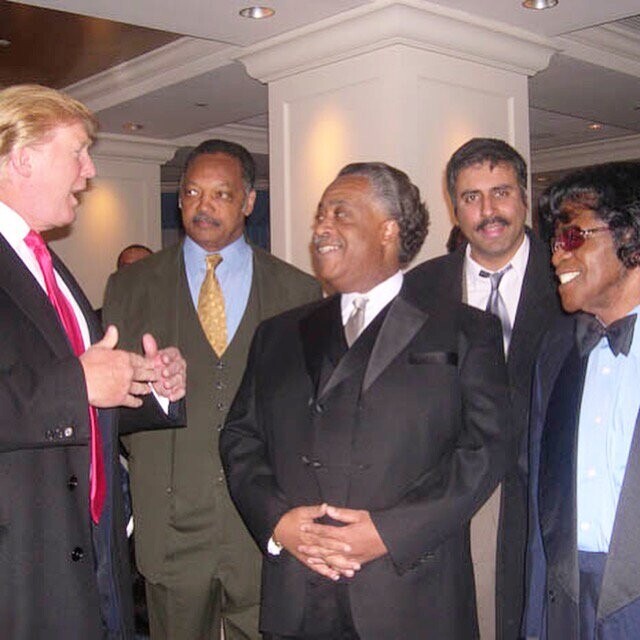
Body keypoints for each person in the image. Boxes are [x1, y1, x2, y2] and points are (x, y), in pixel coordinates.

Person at [220, 161, 510, 639]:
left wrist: (389, 533)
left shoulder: (466, 330)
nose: (321, 227)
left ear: (388, 230)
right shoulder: (277, 334)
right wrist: (276, 521)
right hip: (298, 595)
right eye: (320, 215)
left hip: (414, 596)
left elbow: (486, 450)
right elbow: (240, 438)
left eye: (340, 213)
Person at [102, 138, 321, 640]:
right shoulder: (130, 288)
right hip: (171, 526)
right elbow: (113, 410)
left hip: (263, 523)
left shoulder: (298, 292)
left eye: (221, 194)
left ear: (249, 201)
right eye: (192, 192)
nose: (203, 205)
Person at [0, 84, 187, 639]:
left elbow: (72, 395)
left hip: (91, 548)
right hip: (22, 569)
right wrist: (77, 383)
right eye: (78, 152)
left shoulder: (43, 262)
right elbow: (64, 389)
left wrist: (146, 385)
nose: (89, 171)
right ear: (23, 158)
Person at [405, 137, 561, 639]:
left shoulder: (569, 279)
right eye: (472, 197)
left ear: (525, 198)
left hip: (545, 498)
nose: (488, 211)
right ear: (455, 207)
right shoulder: (419, 290)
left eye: (501, 193)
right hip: (445, 495)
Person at [524, 161, 640, 640]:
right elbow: (541, 513)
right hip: (567, 602)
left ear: (631, 237)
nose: (557, 257)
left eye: (573, 237)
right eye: (554, 241)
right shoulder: (556, 351)